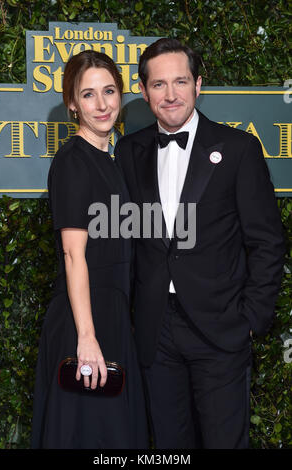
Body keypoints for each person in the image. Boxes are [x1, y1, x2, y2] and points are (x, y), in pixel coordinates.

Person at [115, 38, 286, 449]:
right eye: (158, 84)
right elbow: (125, 241)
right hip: (156, 330)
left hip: (222, 328)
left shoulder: (239, 149)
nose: (170, 94)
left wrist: (249, 320)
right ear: (143, 90)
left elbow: (267, 241)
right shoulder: (129, 151)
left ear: (198, 85)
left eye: (180, 82)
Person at [31, 50, 148, 449]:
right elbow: (73, 255)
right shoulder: (74, 162)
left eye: (109, 91)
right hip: (85, 323)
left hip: (111, 316)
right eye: (88, 94)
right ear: (71, 103)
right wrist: (87, 337)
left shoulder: (110, 159)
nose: (102, 105)